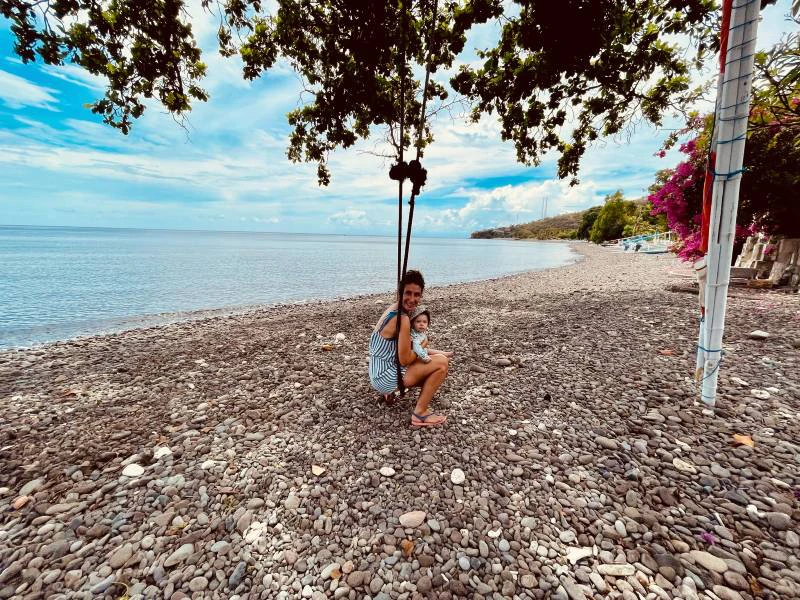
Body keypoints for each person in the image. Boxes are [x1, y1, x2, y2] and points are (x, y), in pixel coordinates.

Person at [368, 270, 449, 427]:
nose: (412, 299)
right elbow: (405, 359)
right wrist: (424, 344)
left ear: (421, 295)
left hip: (375, 371)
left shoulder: (392, 309)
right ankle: (420, 413)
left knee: (432, 359)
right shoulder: (403, 319)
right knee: (441, 364)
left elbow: (401, 349)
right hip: (384, 377)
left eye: (417, 294)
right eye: (408, 293)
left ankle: (389, 394)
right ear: (399, 292)